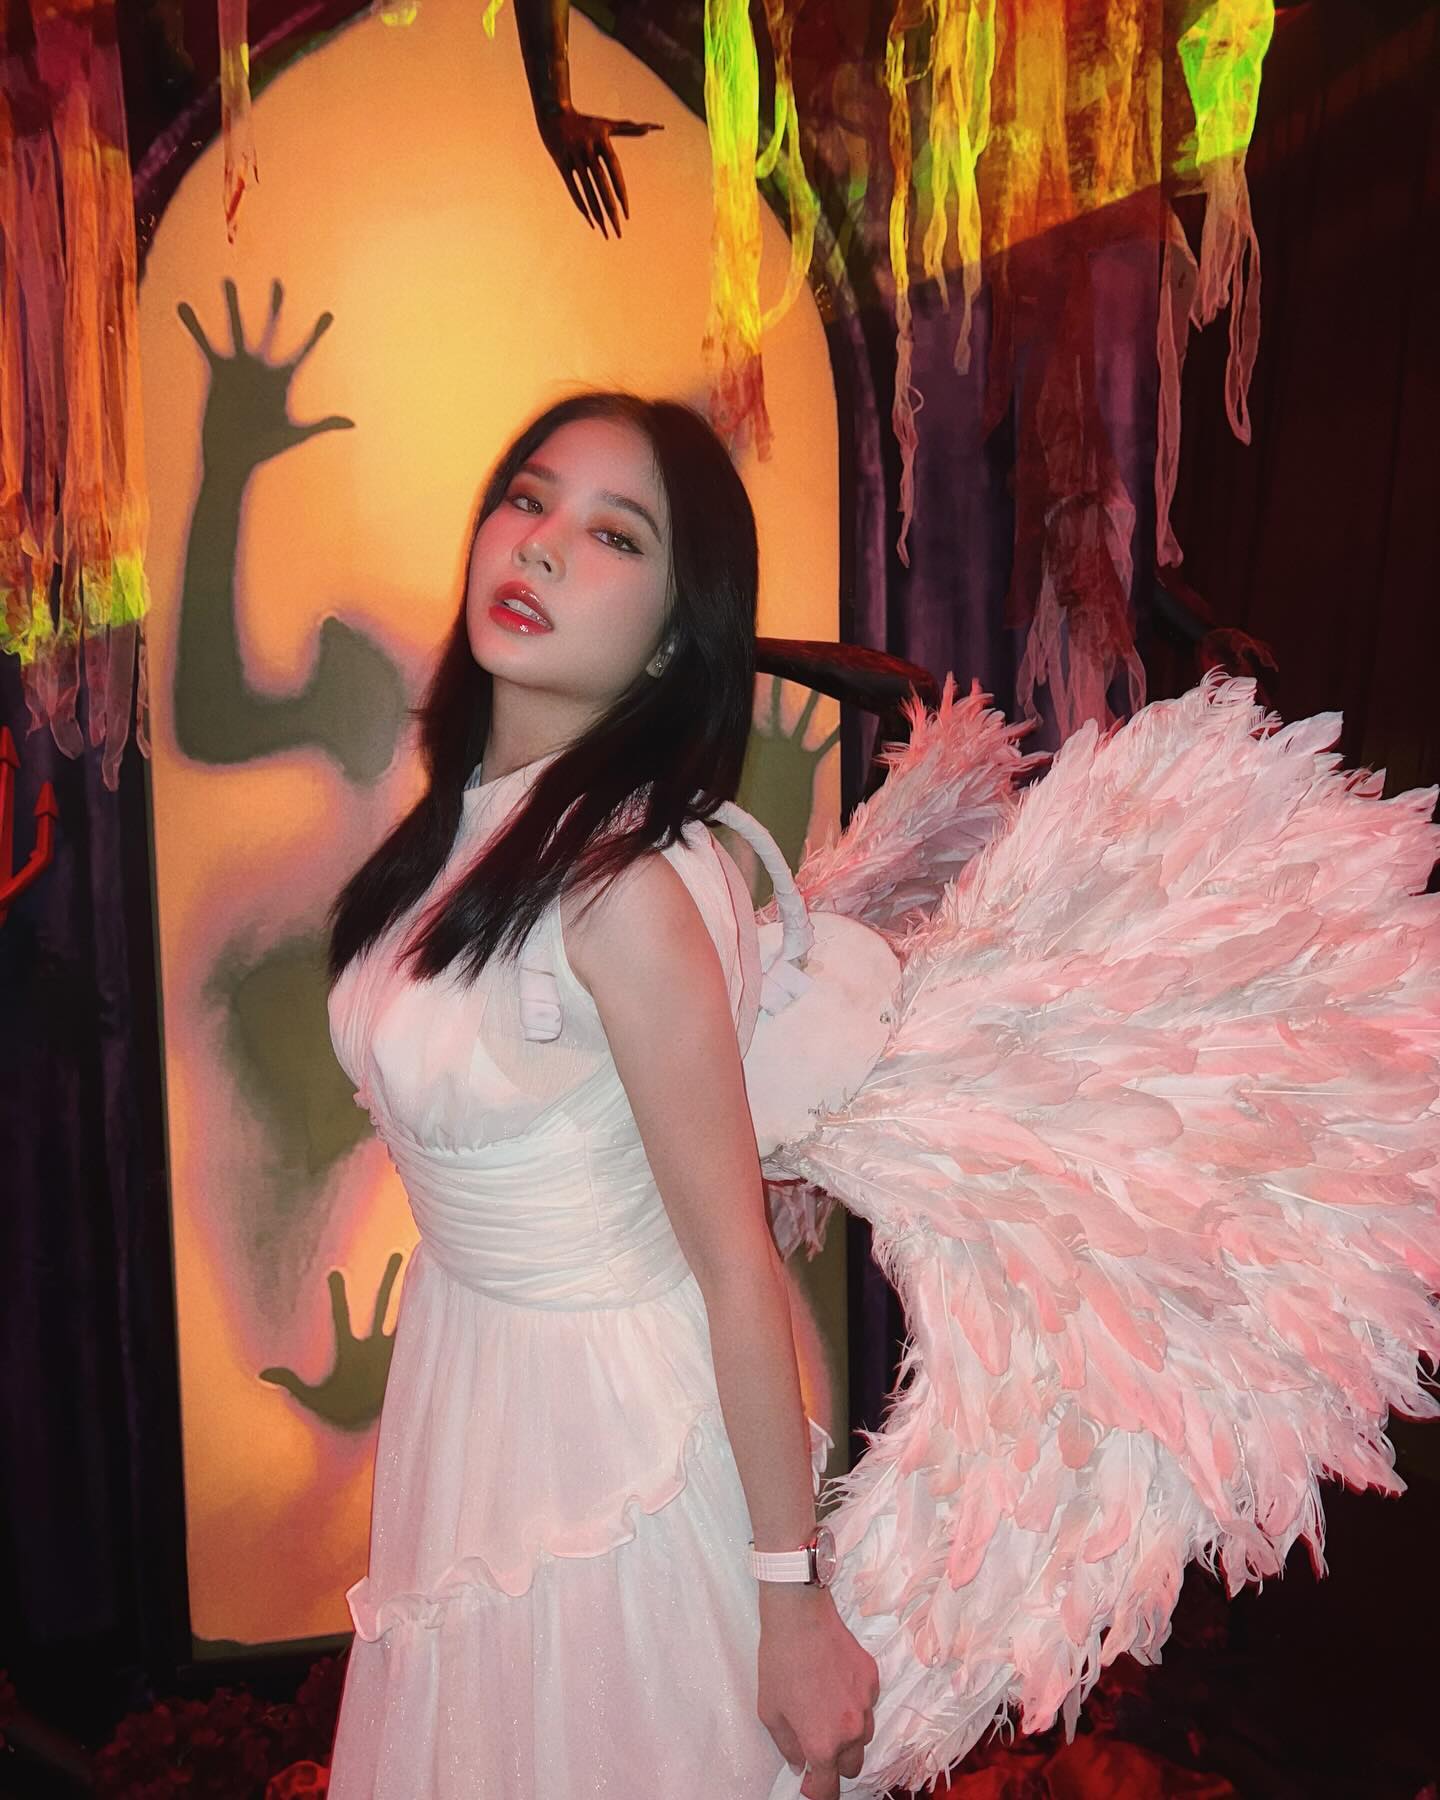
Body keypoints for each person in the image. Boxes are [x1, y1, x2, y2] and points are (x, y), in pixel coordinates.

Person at [325, 390, 880, 1800]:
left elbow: (738, 1266)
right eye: (528, 499)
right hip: (475, 1393)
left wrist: (791, 1603)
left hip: (614, 1443)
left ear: (677, 636)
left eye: (615, 535)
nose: (542, 545)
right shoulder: (461, 830)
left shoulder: (622, 892)